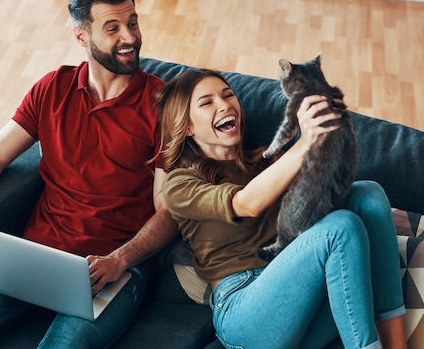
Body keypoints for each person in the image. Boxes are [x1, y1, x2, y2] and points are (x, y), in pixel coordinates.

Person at [0, 0, 178, 348]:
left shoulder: (164, 105)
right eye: (112, 28)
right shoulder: (53, 88)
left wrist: (120, 260)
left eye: (133, 22)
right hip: (38, 256)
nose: (130, 37)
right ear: (81, 37)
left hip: (114, 271)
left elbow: (169, 210)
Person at [155, 69, 407, 349]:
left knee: (368, 195)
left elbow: (325, 200)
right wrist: (304, 143)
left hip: (298, 301)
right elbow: (246, 203)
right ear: (187, 126)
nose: (225, 104)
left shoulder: (264, 163)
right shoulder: (180, 184)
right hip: (243, 311)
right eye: (207, 102)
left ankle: (398, 345)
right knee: (341, 229)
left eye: (228, 95)